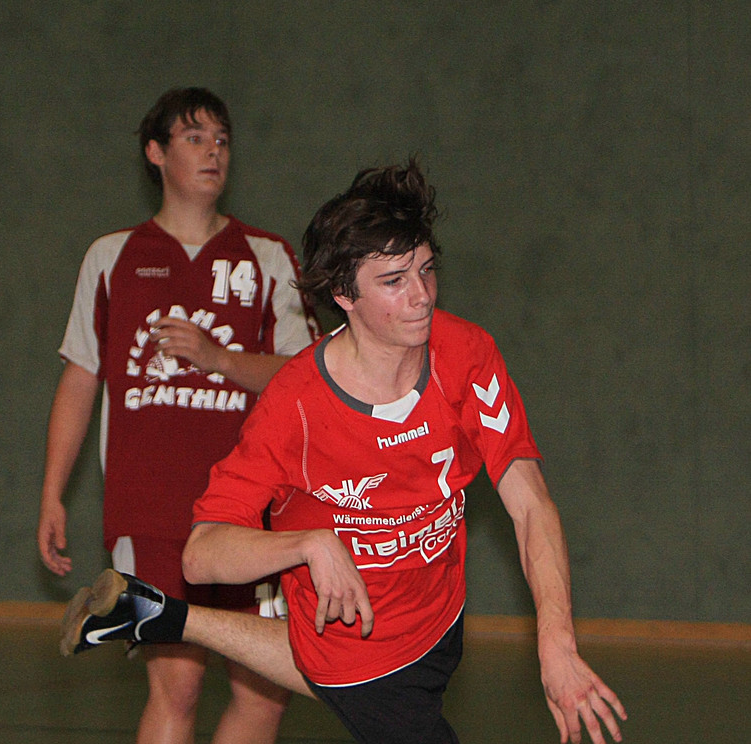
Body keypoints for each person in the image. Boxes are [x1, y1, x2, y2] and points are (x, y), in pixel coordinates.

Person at [59, 159, 627, 744]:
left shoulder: (467, 355)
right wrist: (309, 544)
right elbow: (201, 557)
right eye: (394, 281)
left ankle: (159, 616)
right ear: (343, 294)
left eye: (426, 270)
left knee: (329, 670)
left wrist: (557, 644)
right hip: (352, 642)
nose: (421, 296)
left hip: (440, 618)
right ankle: (166, 618)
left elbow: (530, 504)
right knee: (343, 675)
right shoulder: (294, 406)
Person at [38, 87, 319, 744]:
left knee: (264, 694)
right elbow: (80, 380)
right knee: (177, 686)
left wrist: (218, 358)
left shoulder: (268, 257)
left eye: (222, 139)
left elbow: (304, 377)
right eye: (194, 138)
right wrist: (53, 493)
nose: (213, 151)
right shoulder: (111, 258)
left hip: (251, 512)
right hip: (152, 510)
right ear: (156, 153)